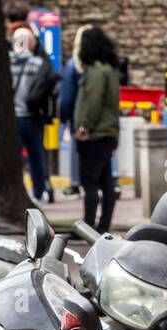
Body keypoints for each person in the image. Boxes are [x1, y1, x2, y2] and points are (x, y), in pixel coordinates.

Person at [73, 26, 121, 232]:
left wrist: (85, 126)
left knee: (90, 181)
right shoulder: (108, 69)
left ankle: (89, 225)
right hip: (108, 132)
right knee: (106, 181)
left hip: (96, 134)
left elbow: (92, 102)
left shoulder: (95, 71)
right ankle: (102, 225)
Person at [10, 27, 57, 203]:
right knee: (36, 156)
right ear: (31, 43)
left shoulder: (6, 62)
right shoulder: (37, 63)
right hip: (31, 117)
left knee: (13, 158)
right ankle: (39, 192)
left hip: (11, 118)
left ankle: (14, 191)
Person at [58, 26, 90, 198]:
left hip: (77, 116)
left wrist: (65, 118)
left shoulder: (72, 66)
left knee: (76, 150)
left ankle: (76, 183)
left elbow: (67, 97)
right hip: (98, 118)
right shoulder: (104, 66)